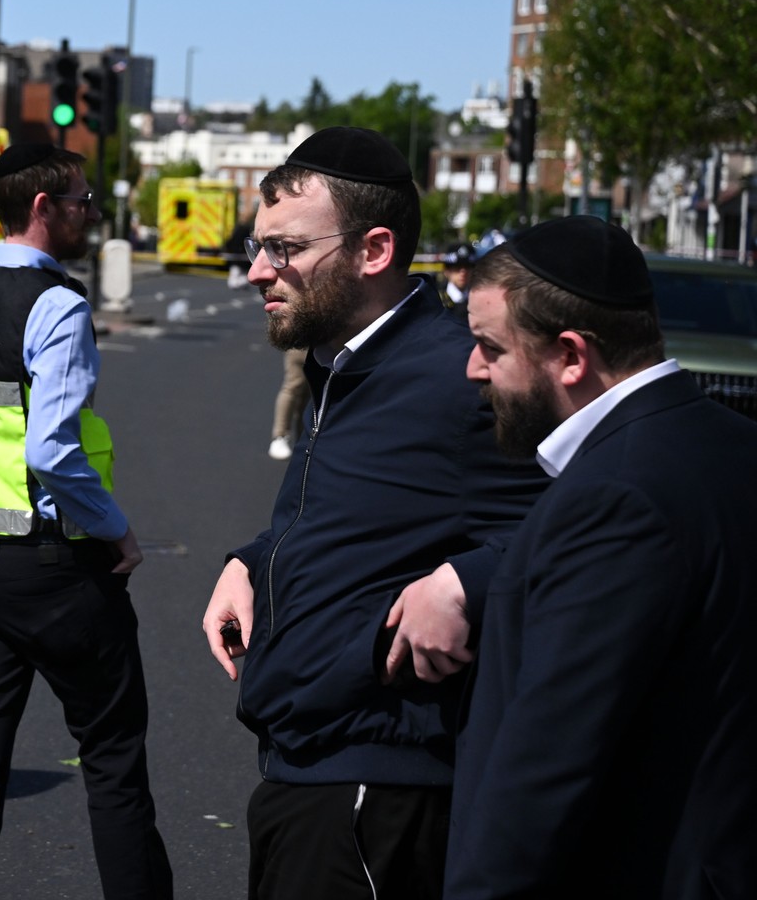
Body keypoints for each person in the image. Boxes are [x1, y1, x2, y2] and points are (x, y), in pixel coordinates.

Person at [199, 127, 544, 899]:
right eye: (258, 247)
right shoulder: (342, 360)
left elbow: (590, 526)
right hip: (305, 772)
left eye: (284, 249)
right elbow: (348, 517)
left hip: (375, 792)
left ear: (374, 250)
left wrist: (467, 582)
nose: (257, 271)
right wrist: (249, 562)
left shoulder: (461, 378)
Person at [446, 217, 757, 898]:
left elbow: (549, 763)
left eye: (489, 348)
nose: (472, 368)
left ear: (570, 355)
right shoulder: (733, 444)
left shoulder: (614, 497)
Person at [0, 143, 172, 900]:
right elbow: (54, 446)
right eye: (81, 201)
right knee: (112, 757)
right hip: (57, 566)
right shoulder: (57, 305)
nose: (88, 214)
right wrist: (115, 528)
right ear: (41, 208)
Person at [266, 347, 308, 461]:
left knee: (309, 395)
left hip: (324, 343)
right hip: (305, 343)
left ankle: (304, 443)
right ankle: (280, 435)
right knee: (293, 387)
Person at [440, 244, 474, 315]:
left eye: (468, 266)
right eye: (457, 267)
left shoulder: (480, 299)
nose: (463, 272)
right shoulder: (436, 299)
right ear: (446, 271)